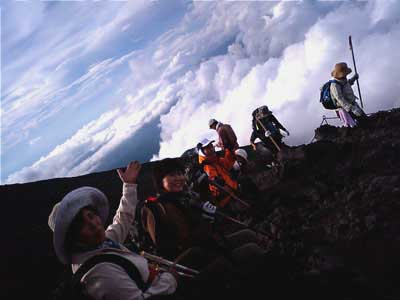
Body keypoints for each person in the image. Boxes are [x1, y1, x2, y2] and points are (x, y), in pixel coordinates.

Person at [48, 161, 178, 300]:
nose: (93, 224)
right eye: (81, 226)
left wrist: (129, 185)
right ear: (72, 239)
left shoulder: (102, 245)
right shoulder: (99, 273)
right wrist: (170, 280)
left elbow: (122, 219)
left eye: (91, 216)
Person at [144, 158, 268, 294]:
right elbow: (169, 247)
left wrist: (205, 194)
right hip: (195, 262)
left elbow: (210, 219)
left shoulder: (185, 197)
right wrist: (205, 222)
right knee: (252, 249)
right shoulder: (158, 209)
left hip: (210, 245)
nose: (179, 178)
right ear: (160, 181)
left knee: (248, 234)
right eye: (172, 175)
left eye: (180, 173)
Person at [197, 138, 239, 209]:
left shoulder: (215, 160)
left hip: (233, 193)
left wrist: (229, 150)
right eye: (207, 148)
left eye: (211, 146)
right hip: (227, 201)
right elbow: (214, 181)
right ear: (202, 151)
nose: (211, 148)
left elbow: (228, 164)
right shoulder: (206, 166)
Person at [330, 62, 367, 126]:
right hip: (345, 109)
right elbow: (340, 99)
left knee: (365, 120)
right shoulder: (334, 85)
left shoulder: (343, 79)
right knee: (357, 125)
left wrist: (353, 79)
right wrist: (352, 109)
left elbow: (346, 85)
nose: (346, 75)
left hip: (352, 104)